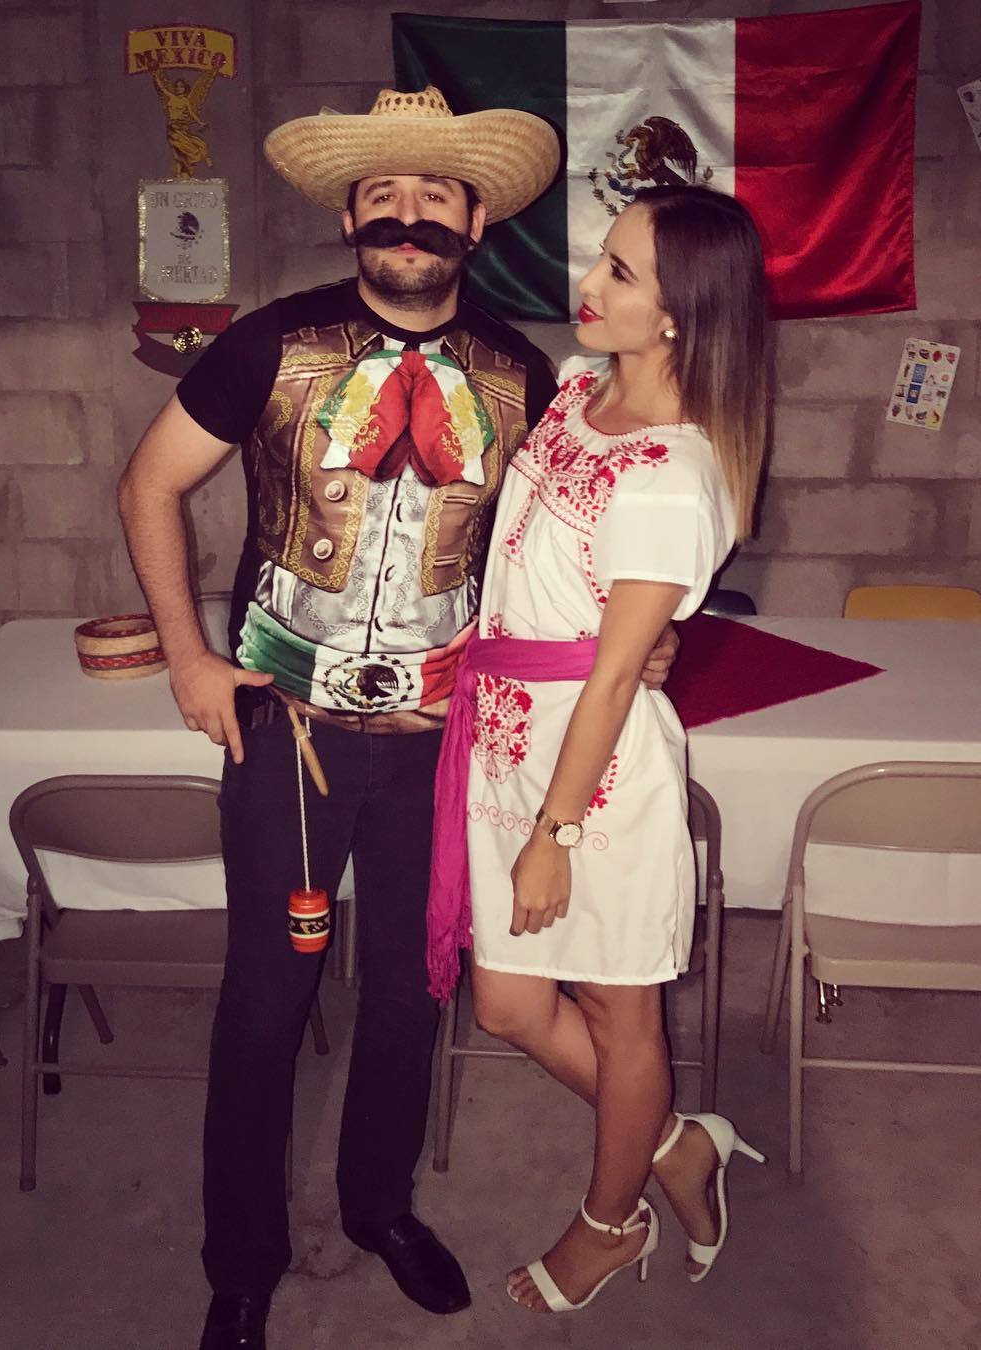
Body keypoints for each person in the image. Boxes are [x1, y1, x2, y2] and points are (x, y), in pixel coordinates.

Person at [118, 86, 677, 1350]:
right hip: (288, 734)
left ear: (475, 220)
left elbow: (574, 539)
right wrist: (189, 658)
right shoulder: (269, 343)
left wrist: (647, 633)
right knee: (267, 999)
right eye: (382, 194)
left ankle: (379, 1207)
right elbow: (147, 485)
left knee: (410, 994)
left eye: (435, 195)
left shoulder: (524, 375)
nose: (407, 214)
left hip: (446, 744)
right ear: (350, 217)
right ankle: (242, 1262)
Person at [428, 184, 771, 1315]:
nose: (589, 284)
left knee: (622, 1016)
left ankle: (609, 1224)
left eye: (621, 272)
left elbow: (618, 675)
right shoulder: (580, 390)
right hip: (507, 746)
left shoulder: (672, 474)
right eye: (602, 258)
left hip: (597, 779)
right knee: (509, 1005)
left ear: (681, 314)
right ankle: (676, 1144)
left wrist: (555, 834)